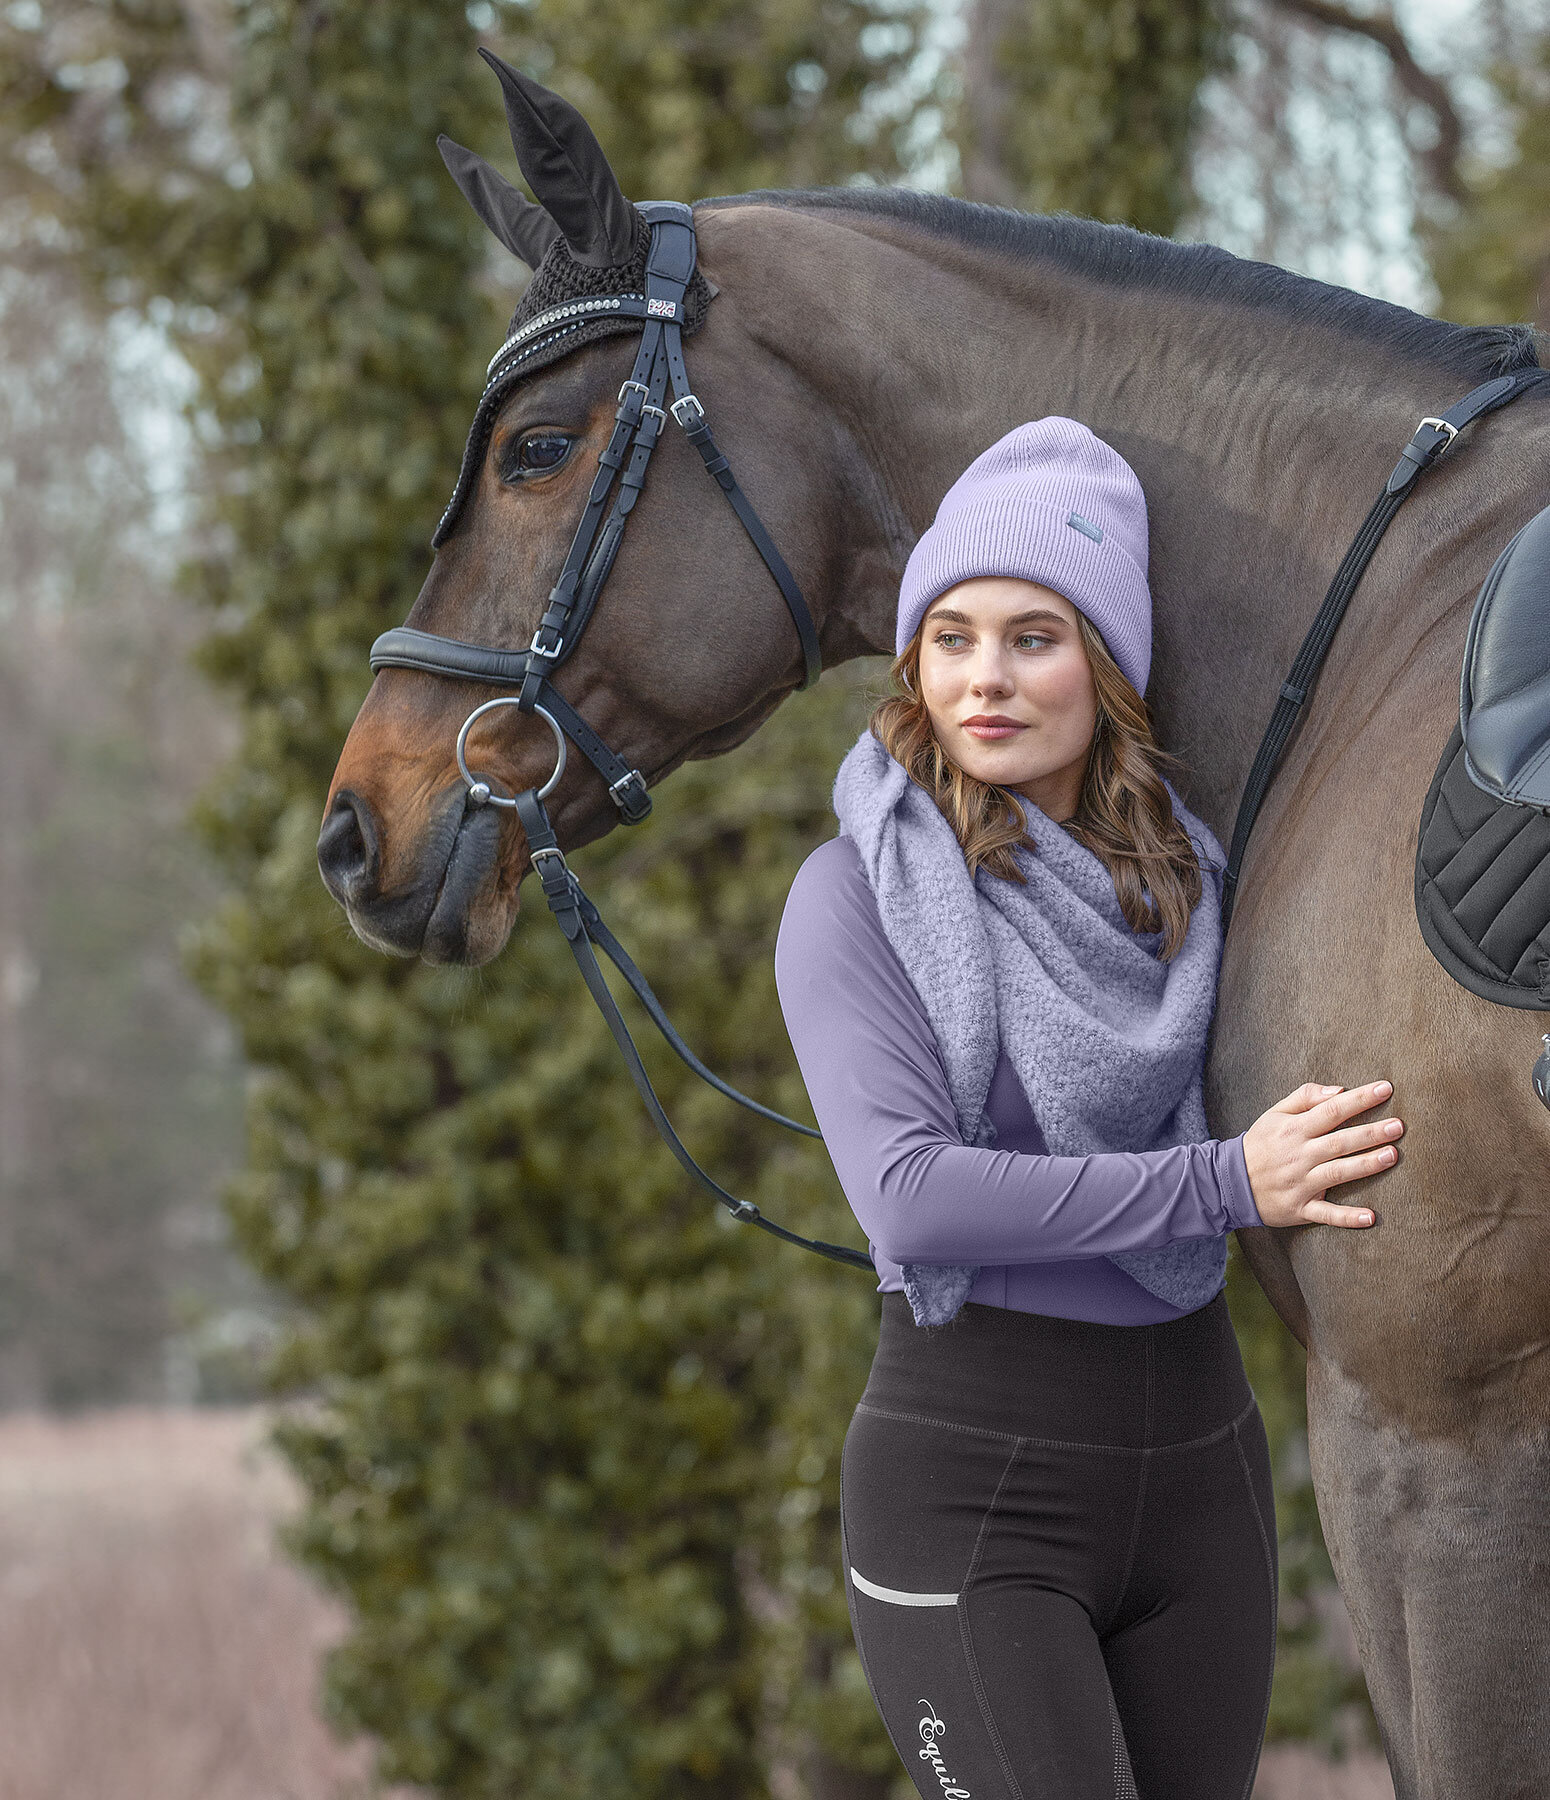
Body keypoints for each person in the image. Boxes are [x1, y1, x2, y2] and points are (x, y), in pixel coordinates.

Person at [772, 418, 1403, 1800]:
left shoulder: (1193, 884)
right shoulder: (856, 894)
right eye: (949, 638)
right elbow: (912, 1192)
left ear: (1105, 666)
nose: (983, 679)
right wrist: (1225, 1183)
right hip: (971, 1497)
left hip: (1202, 1484)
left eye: (1030, 636)